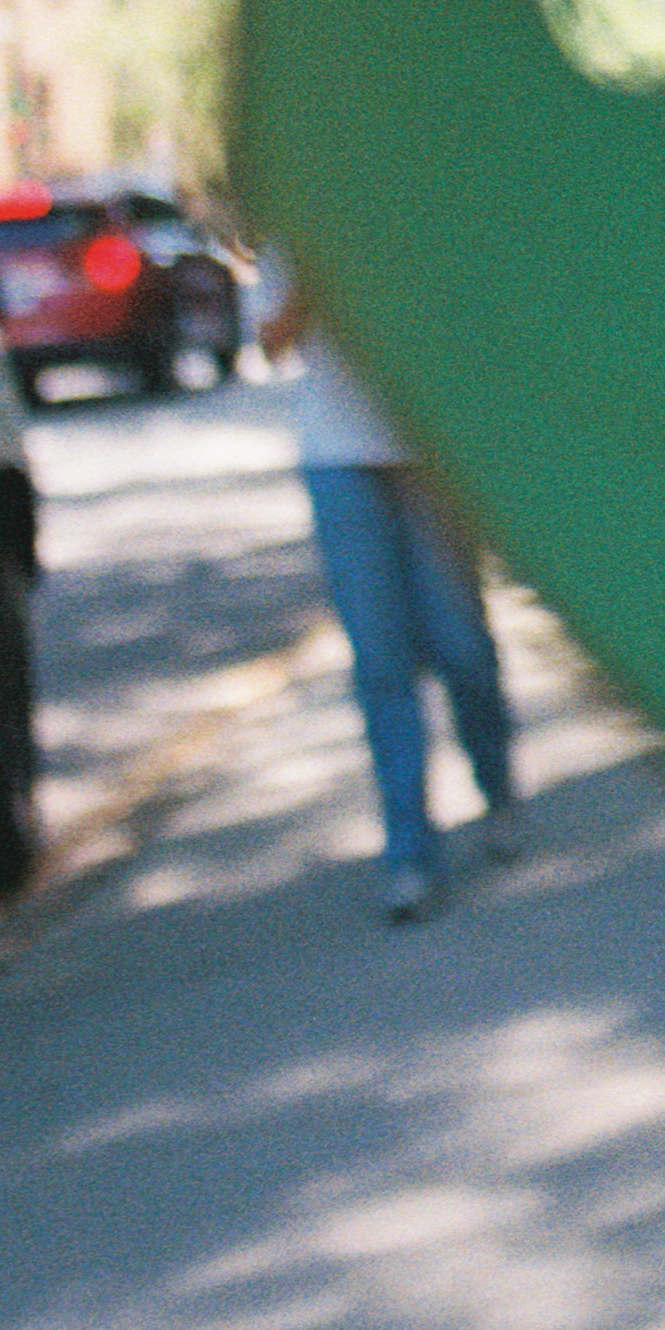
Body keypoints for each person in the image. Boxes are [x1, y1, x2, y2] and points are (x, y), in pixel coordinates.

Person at [278, 274, 521, 923]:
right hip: (338, 461)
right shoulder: (289, 221)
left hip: (428, 449)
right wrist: (308, 279)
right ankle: (409, 853)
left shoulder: (400, 196)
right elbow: (272, 343)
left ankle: (497, 788)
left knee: (462, 646)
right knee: (381, 664)